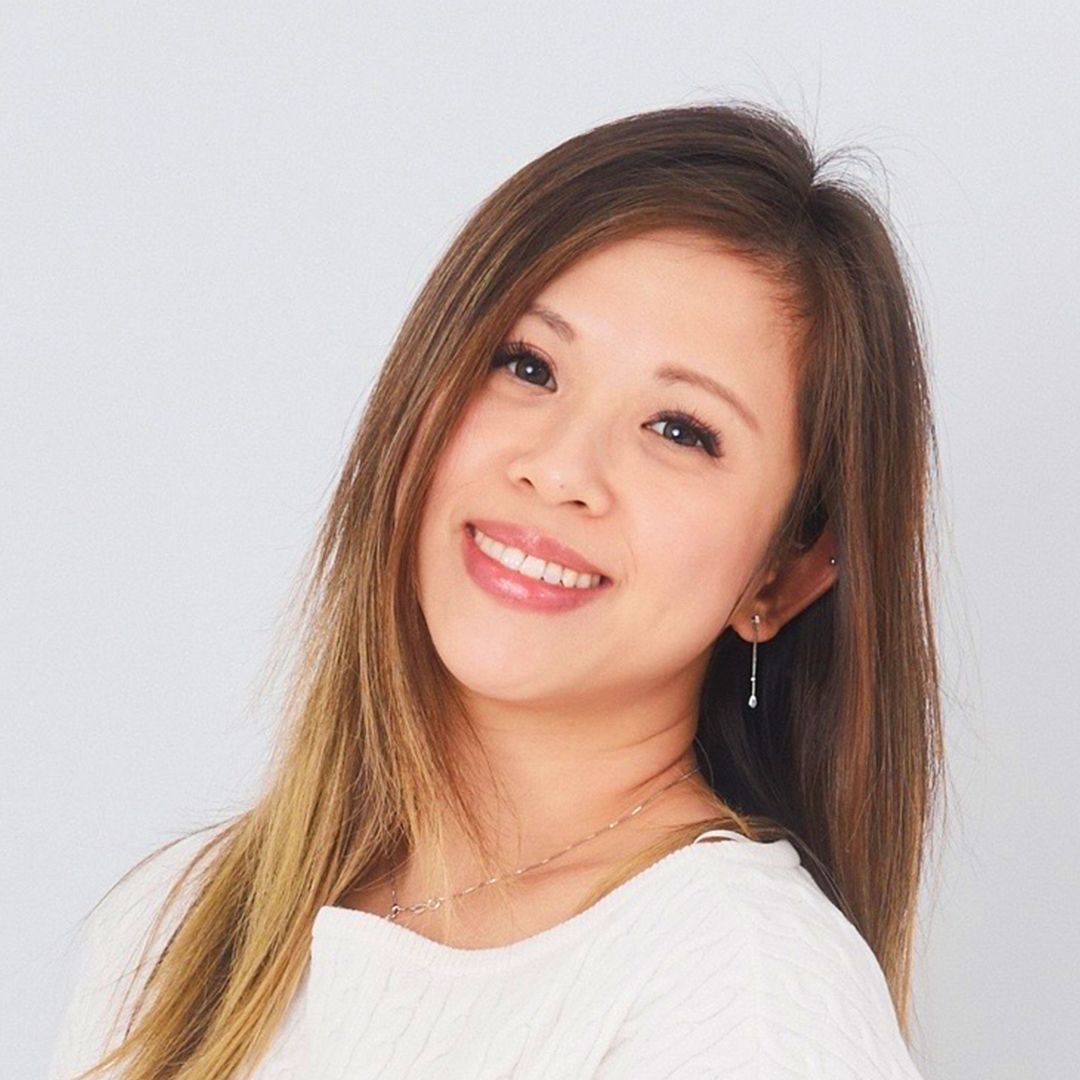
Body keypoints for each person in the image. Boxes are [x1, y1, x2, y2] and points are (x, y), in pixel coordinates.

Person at [48, 100, 940, 1079]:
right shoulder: (179, 925)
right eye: (528, 364)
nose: (560, 469)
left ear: (784, 570)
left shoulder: (744, 998)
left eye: (680, 429)